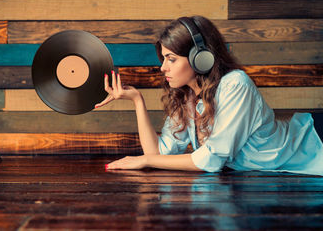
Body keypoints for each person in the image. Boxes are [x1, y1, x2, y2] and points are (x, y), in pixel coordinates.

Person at [94, 15, 323, 176]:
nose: (163, 67)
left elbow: (211, 160)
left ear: (200, 58)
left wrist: (144, 161)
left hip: (313, 146)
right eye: (163, 58)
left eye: (171, 59)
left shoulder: (235, 85)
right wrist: (137, 101)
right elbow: (158, 153)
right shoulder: (187, 96)